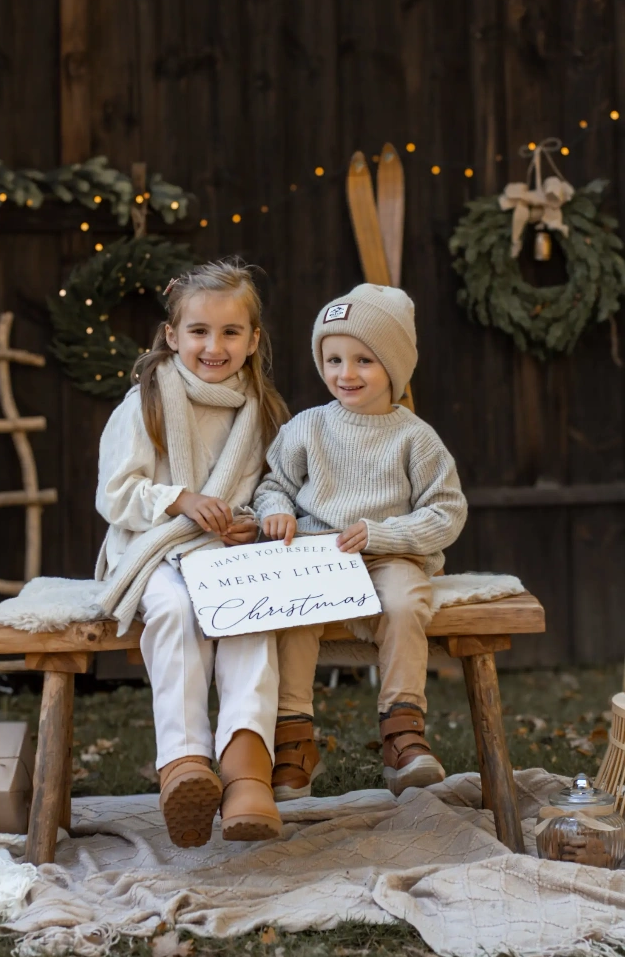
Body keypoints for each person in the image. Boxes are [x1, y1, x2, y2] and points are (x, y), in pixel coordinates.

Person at [95, 260, 289, 848]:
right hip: (153, 549)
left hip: (224, 553)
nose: (214, 345)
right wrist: (178, 499)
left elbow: (264, 490)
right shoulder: (145, 404)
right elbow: (115, 494)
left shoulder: (261, 412)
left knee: (253, 614)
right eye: (199, 332)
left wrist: (247, 524)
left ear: (253, 340)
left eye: (231, 332)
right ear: (172, 336)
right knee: (177, 612)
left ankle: (246, 769)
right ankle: (183, 765)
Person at [253, 284, 468, 799]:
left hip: (389, 555)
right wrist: (279, 512)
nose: (345, 374)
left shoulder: (415, 437)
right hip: (315, 557)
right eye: (333, 359)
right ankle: (293, 740)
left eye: (364, 360)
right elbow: (273, 485)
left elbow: (447, 512)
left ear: (394, 367)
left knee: (404, 600)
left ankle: (402, 733)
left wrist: (385, 532)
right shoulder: (307, 426)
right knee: (293, 613)